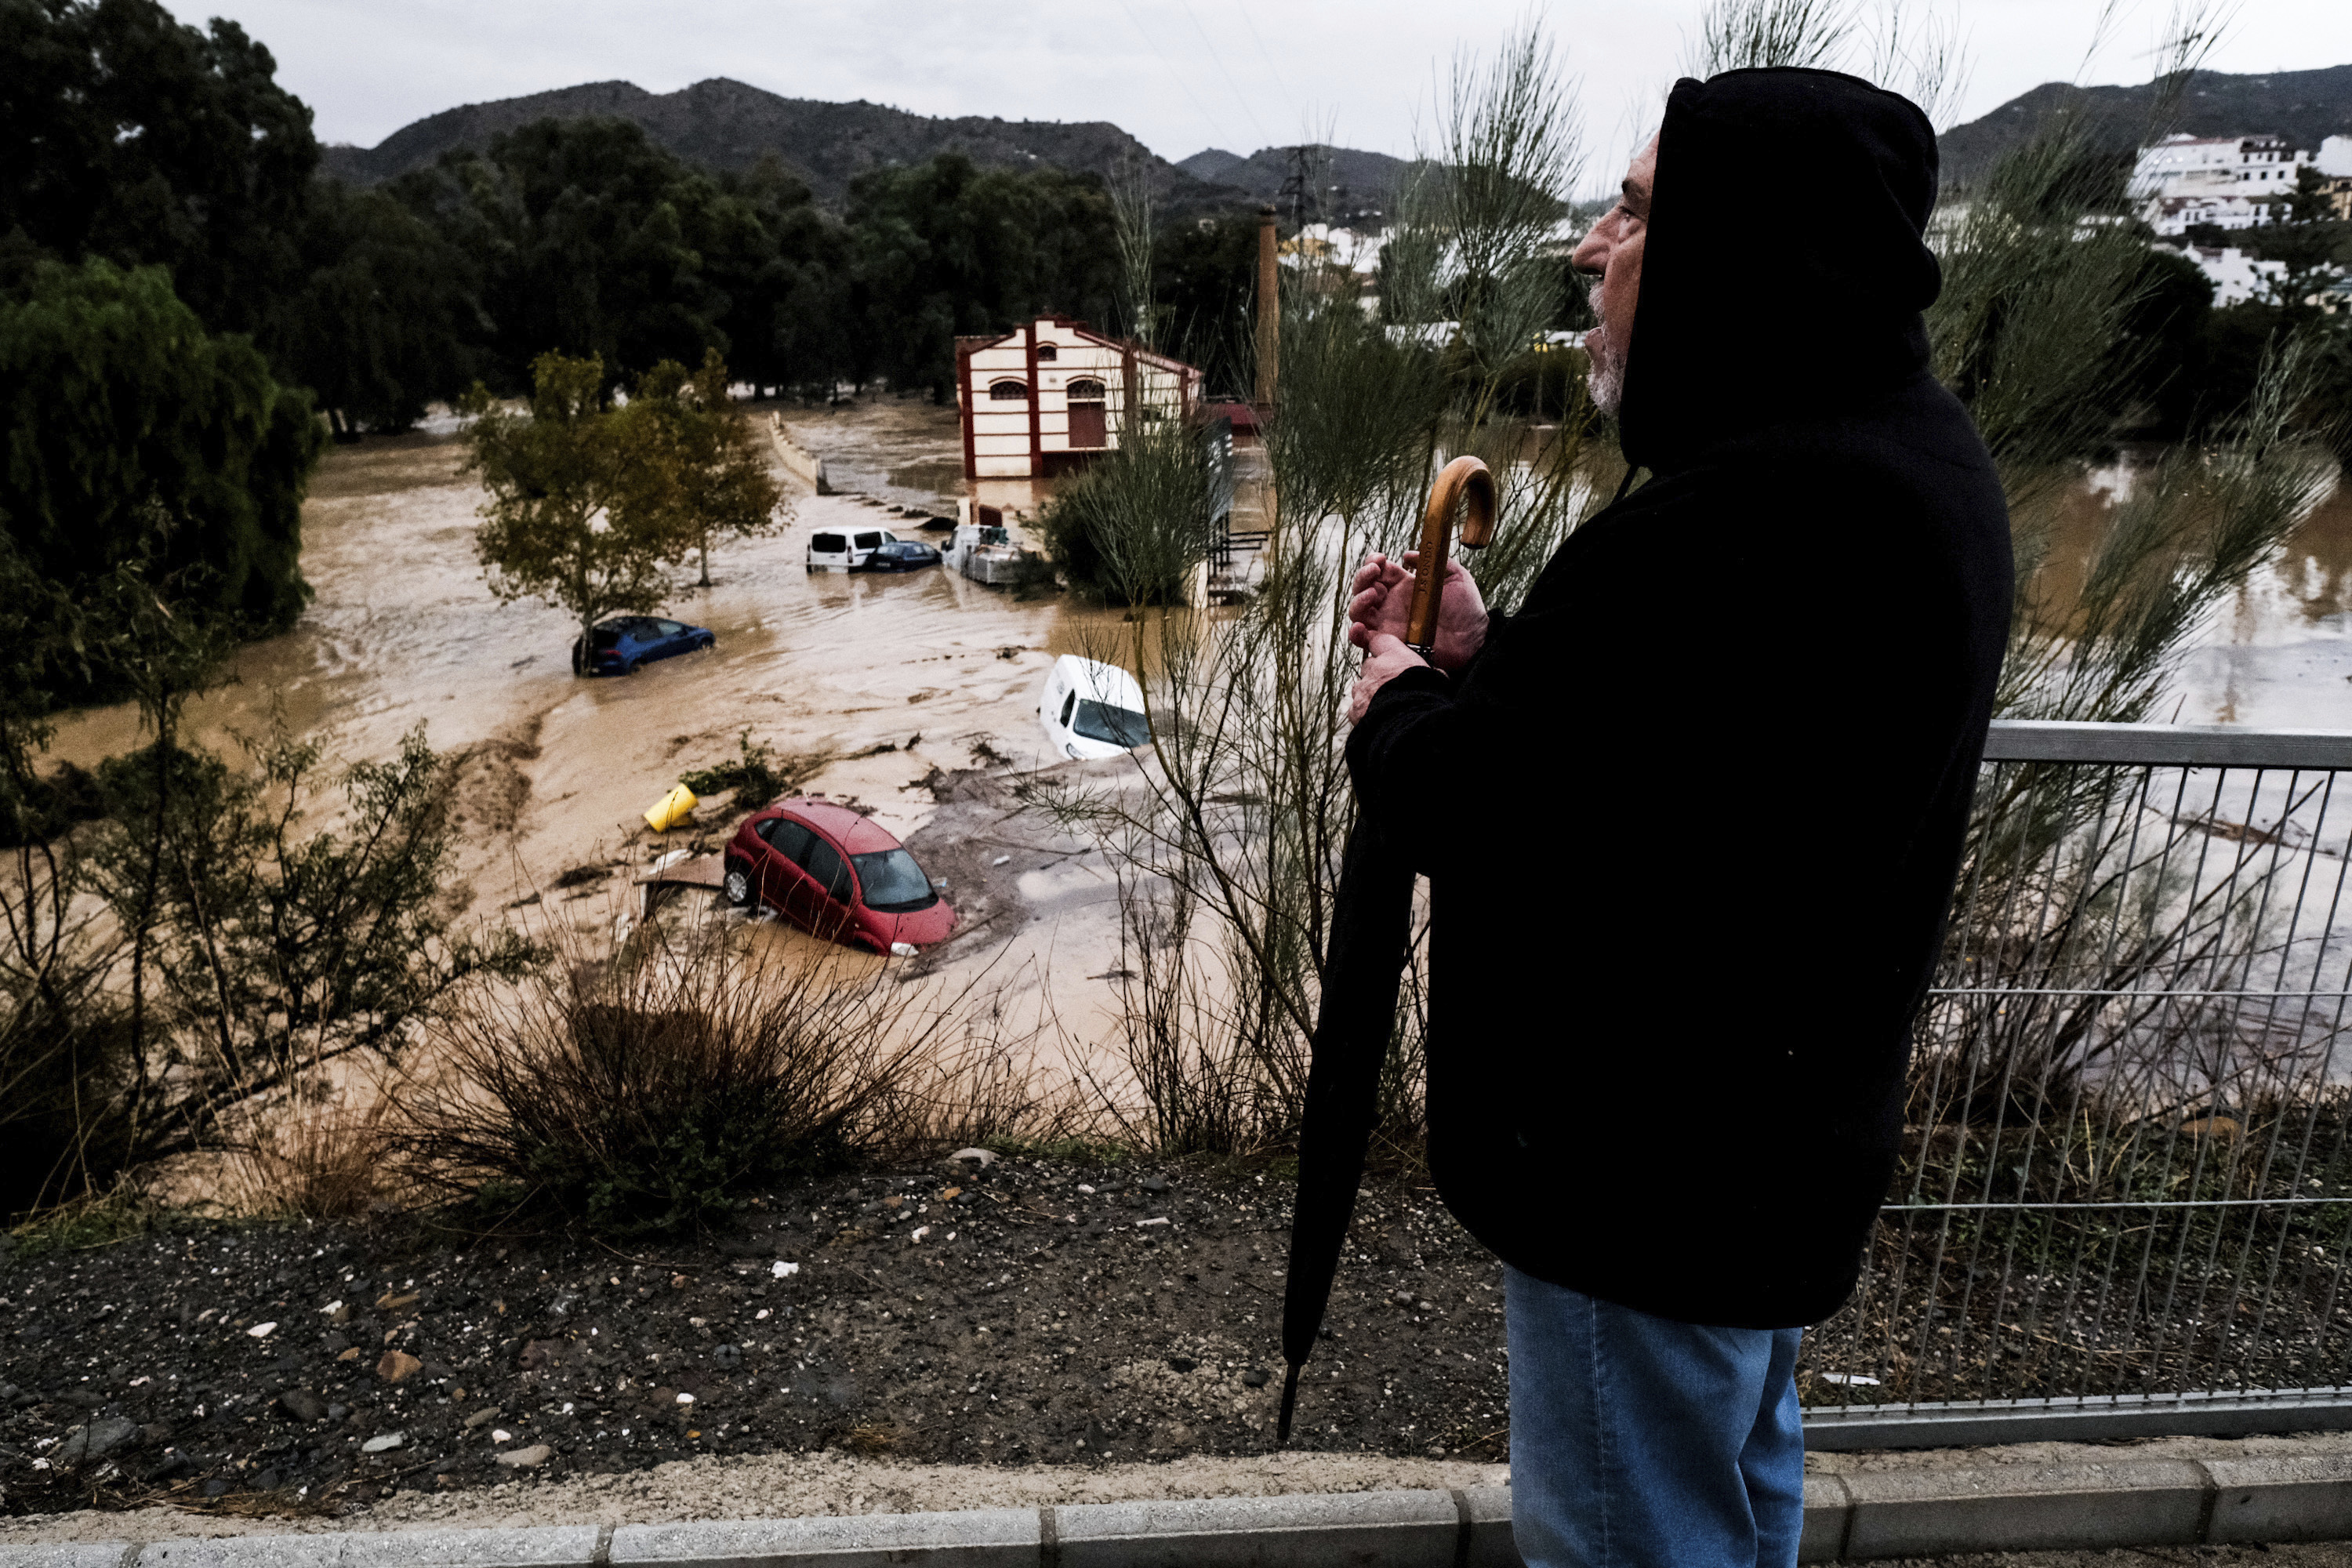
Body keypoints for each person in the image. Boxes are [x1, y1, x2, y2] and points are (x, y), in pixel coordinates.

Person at [1341, 67, 2014, 1568]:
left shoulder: (1748, 512)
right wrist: (1478, 650)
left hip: (1645, 1185)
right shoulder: (1902, 463)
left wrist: (1392, 703)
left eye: (1635, 212)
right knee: (1729, 1511)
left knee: (1635, 1544)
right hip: (1762, 1165)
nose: (1589, 246)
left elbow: (1506, 810)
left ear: (1746, 248)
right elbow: (1675, 767)